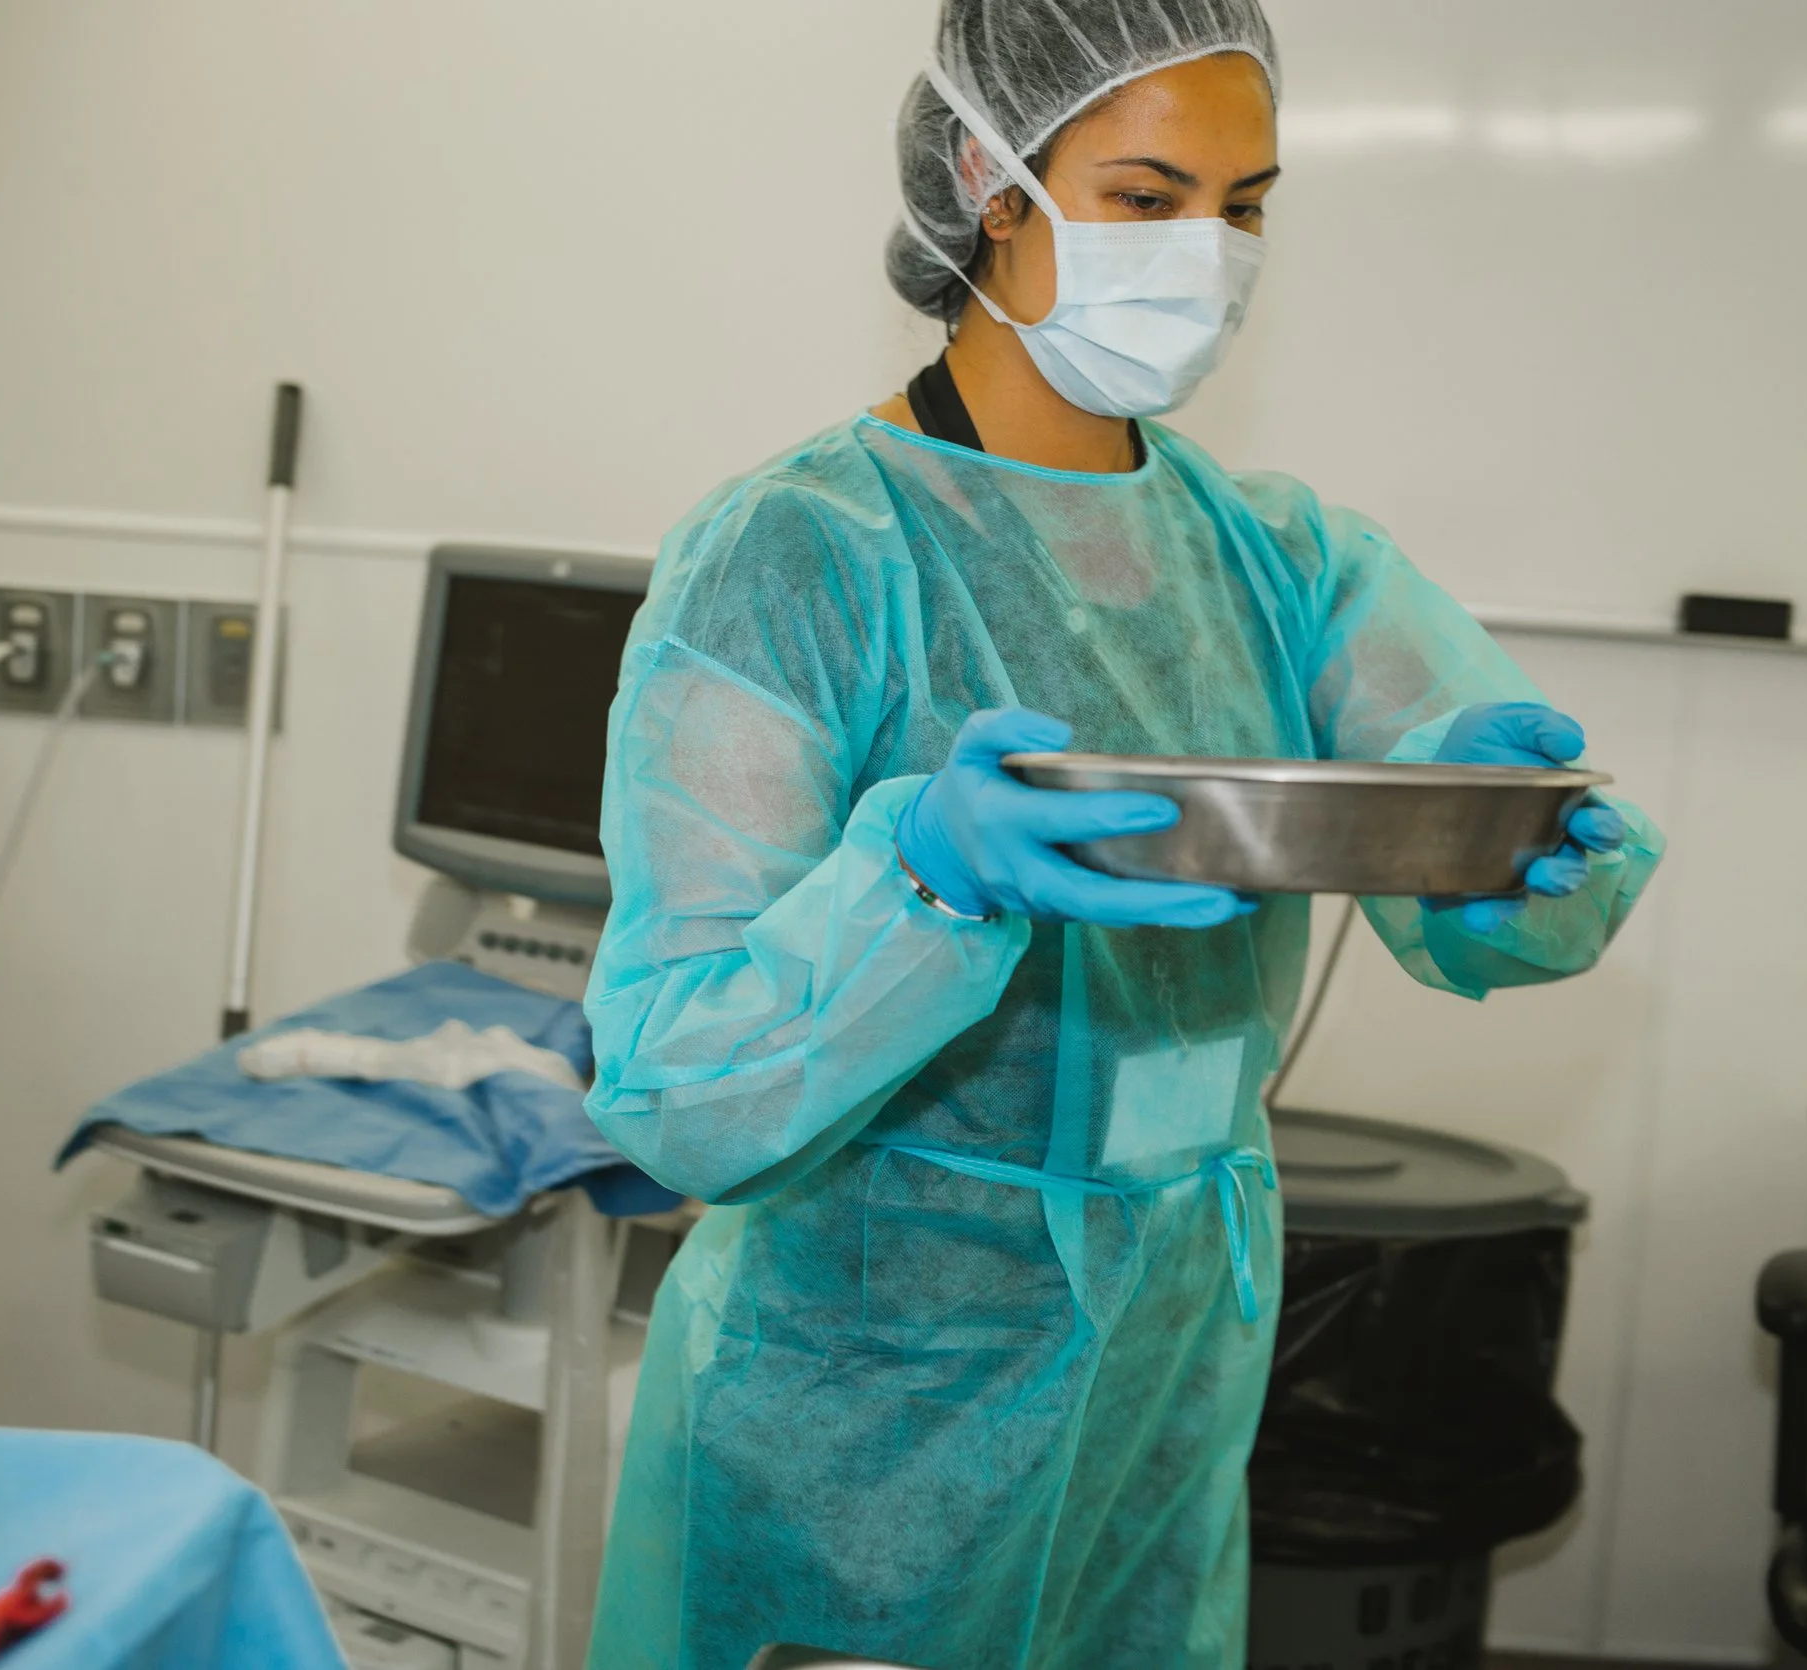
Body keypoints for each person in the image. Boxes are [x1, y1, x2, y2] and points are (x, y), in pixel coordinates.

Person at [582, 2, 1664, 1664]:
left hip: (1164, 1382)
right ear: (989, 182)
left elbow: (1495, 893)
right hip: (866, 1417)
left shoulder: (1277, 554)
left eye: (1244, 207)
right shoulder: (797, 556)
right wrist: (920, 887)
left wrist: (1510, 832)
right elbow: (677, 1089)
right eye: (1149, 198)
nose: (1208, 257)